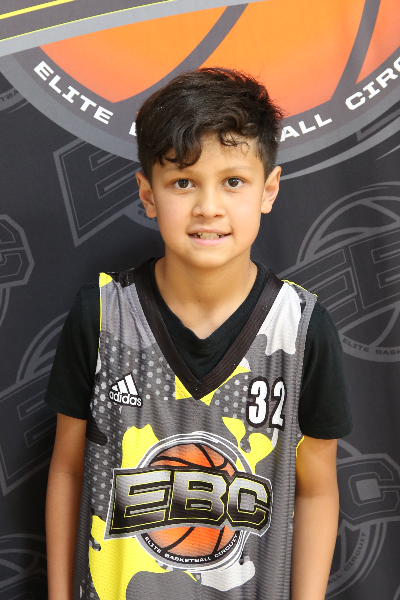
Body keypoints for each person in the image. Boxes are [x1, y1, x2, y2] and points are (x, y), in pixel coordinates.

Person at [45, 67, 352, 600]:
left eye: (233, 182)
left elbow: (317, 491)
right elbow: (68, 470)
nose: (208, 207)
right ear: (148, 194)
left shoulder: (302, 328)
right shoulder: (102, 314)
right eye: (183, 182)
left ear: (268, 190)